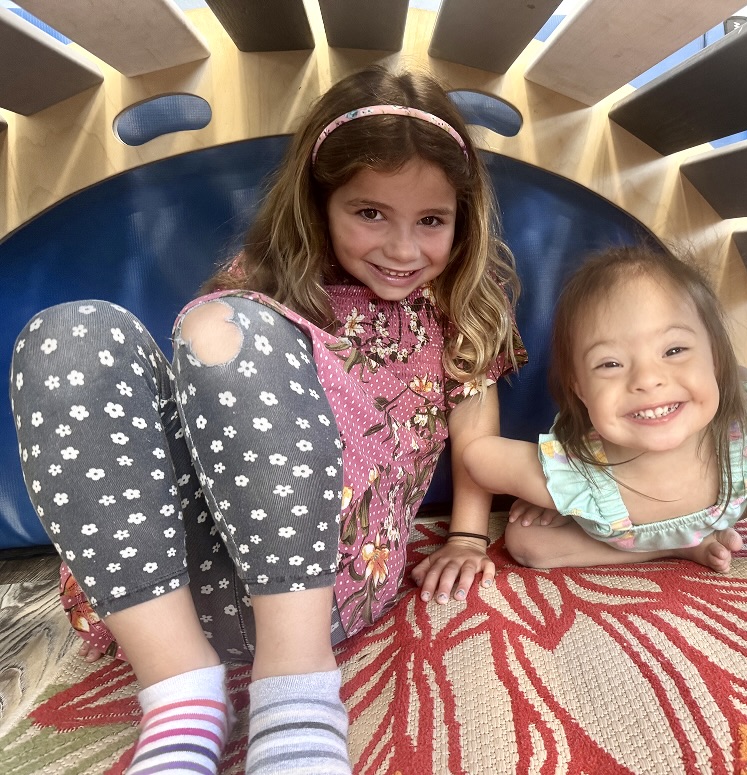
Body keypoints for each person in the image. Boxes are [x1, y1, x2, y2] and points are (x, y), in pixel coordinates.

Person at [9, 65, 525, 775]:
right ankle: (182, 696)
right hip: (165, 598)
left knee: (230, 327)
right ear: (319, 204)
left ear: (461, 219)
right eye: (370, 213)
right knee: (68, 337)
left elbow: (478, 437)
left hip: (326, 589)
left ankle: (296, 692)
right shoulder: (262, 283)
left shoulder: (455, 307)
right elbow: (209, 425)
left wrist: (468, 533)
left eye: (431, 221)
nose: (404, 249)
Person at [464, 246, 747, 608]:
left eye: (674, 351)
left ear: (716, 357)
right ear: (579, 389)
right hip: (620, 537)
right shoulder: (580, 472)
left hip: (723, 505)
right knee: (526, 541)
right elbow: (478, 455)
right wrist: (554, 492)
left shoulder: (737, 430)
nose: (648, 379)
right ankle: (672, 550)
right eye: (609, 363)